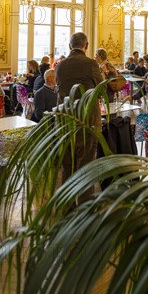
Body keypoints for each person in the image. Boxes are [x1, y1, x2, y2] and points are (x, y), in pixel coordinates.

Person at [56, 32, 104, 203]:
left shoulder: (59, 66)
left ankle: (67, 203)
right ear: (87, 46)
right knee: (86, 163)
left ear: (70, 46)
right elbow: (102, 88)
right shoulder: (91, 64)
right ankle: (84, 206)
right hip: (87, 120)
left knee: (67, 164)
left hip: (65, 119)